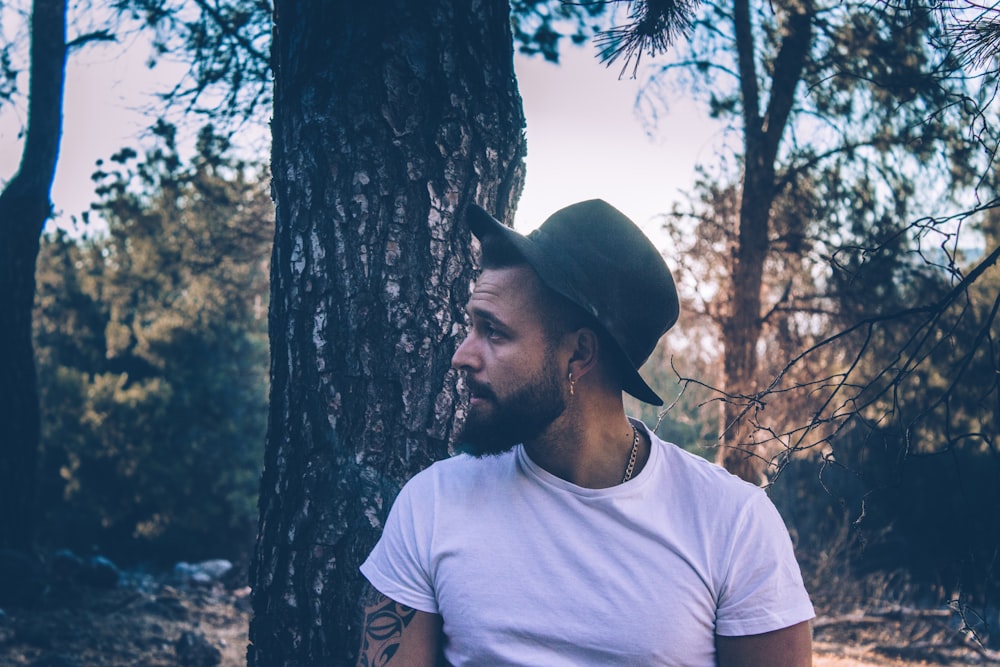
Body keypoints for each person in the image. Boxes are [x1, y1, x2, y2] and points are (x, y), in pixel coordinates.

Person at [357, 199, 815, 666]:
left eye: (493, 332)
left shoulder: (732, 523)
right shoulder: (431, 505)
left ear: (578, 356)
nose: (462, 355)